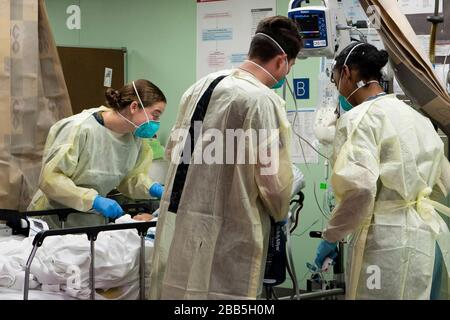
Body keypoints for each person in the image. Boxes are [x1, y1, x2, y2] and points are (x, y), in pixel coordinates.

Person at [149, 16, 303, 299]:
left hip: (186, 222)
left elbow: (174, 151)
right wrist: (281, 212)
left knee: (185, 293)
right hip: (235, 229)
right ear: (282, 60)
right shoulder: (262, 100)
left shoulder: (199, 87)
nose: (286, 75)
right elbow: (272, 182)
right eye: (290, 67)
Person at [314, 42, 450, 299]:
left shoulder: (358, 120)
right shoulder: (417, 119)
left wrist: (332, 236)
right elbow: (444, 180)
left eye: (335, 81)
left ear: (347, 74)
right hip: (425, 238)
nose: (338, 88)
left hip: (384, 244)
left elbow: (360, 189)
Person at [28, 79, 167, 228]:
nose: (156, 122)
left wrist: (153, 188)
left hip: (91, 222)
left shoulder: (136, 139)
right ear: (134, 107)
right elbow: (51, 179)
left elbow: (130, 179)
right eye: (155, 115)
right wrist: (93, 200)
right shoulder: (79, 128)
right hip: (54, 219)